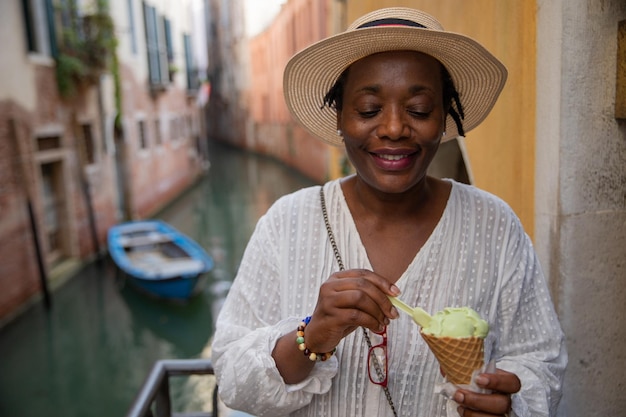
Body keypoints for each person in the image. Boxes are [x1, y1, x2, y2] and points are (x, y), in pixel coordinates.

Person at [211, 7, 566, 417]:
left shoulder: (495, 227)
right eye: (368, 110)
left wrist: (508, 403)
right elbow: (233, 376)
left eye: (418, 109)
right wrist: (313, 336)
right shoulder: (285, 224)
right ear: (340, 118)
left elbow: (542, 363)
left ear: (445, 117)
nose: (395, 128)